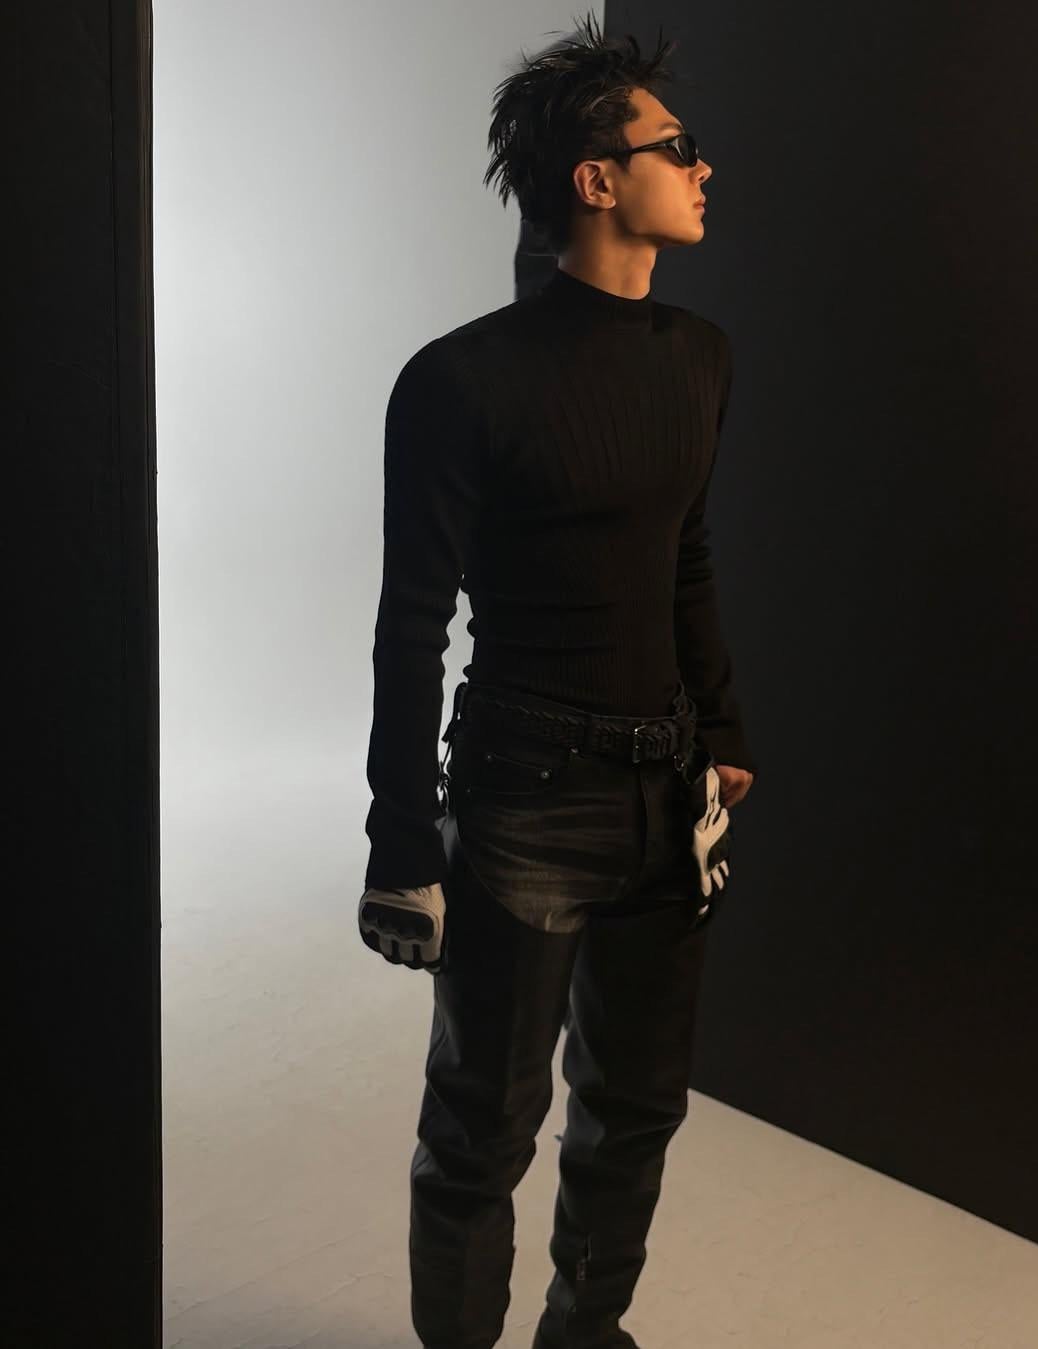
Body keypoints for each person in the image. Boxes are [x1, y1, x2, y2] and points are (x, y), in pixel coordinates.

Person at [358, 13, 757, 1347]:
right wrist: (401, 834)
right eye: (675, 148)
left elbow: (682, 554)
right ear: (596, 179)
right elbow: (411, 625)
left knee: (635, 1109)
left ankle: (586, 1335)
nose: (702, 169)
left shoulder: (699, 356)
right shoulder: (458, 382)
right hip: (524, 792)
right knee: (483, 1126)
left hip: (668, 790)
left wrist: (722, 729)